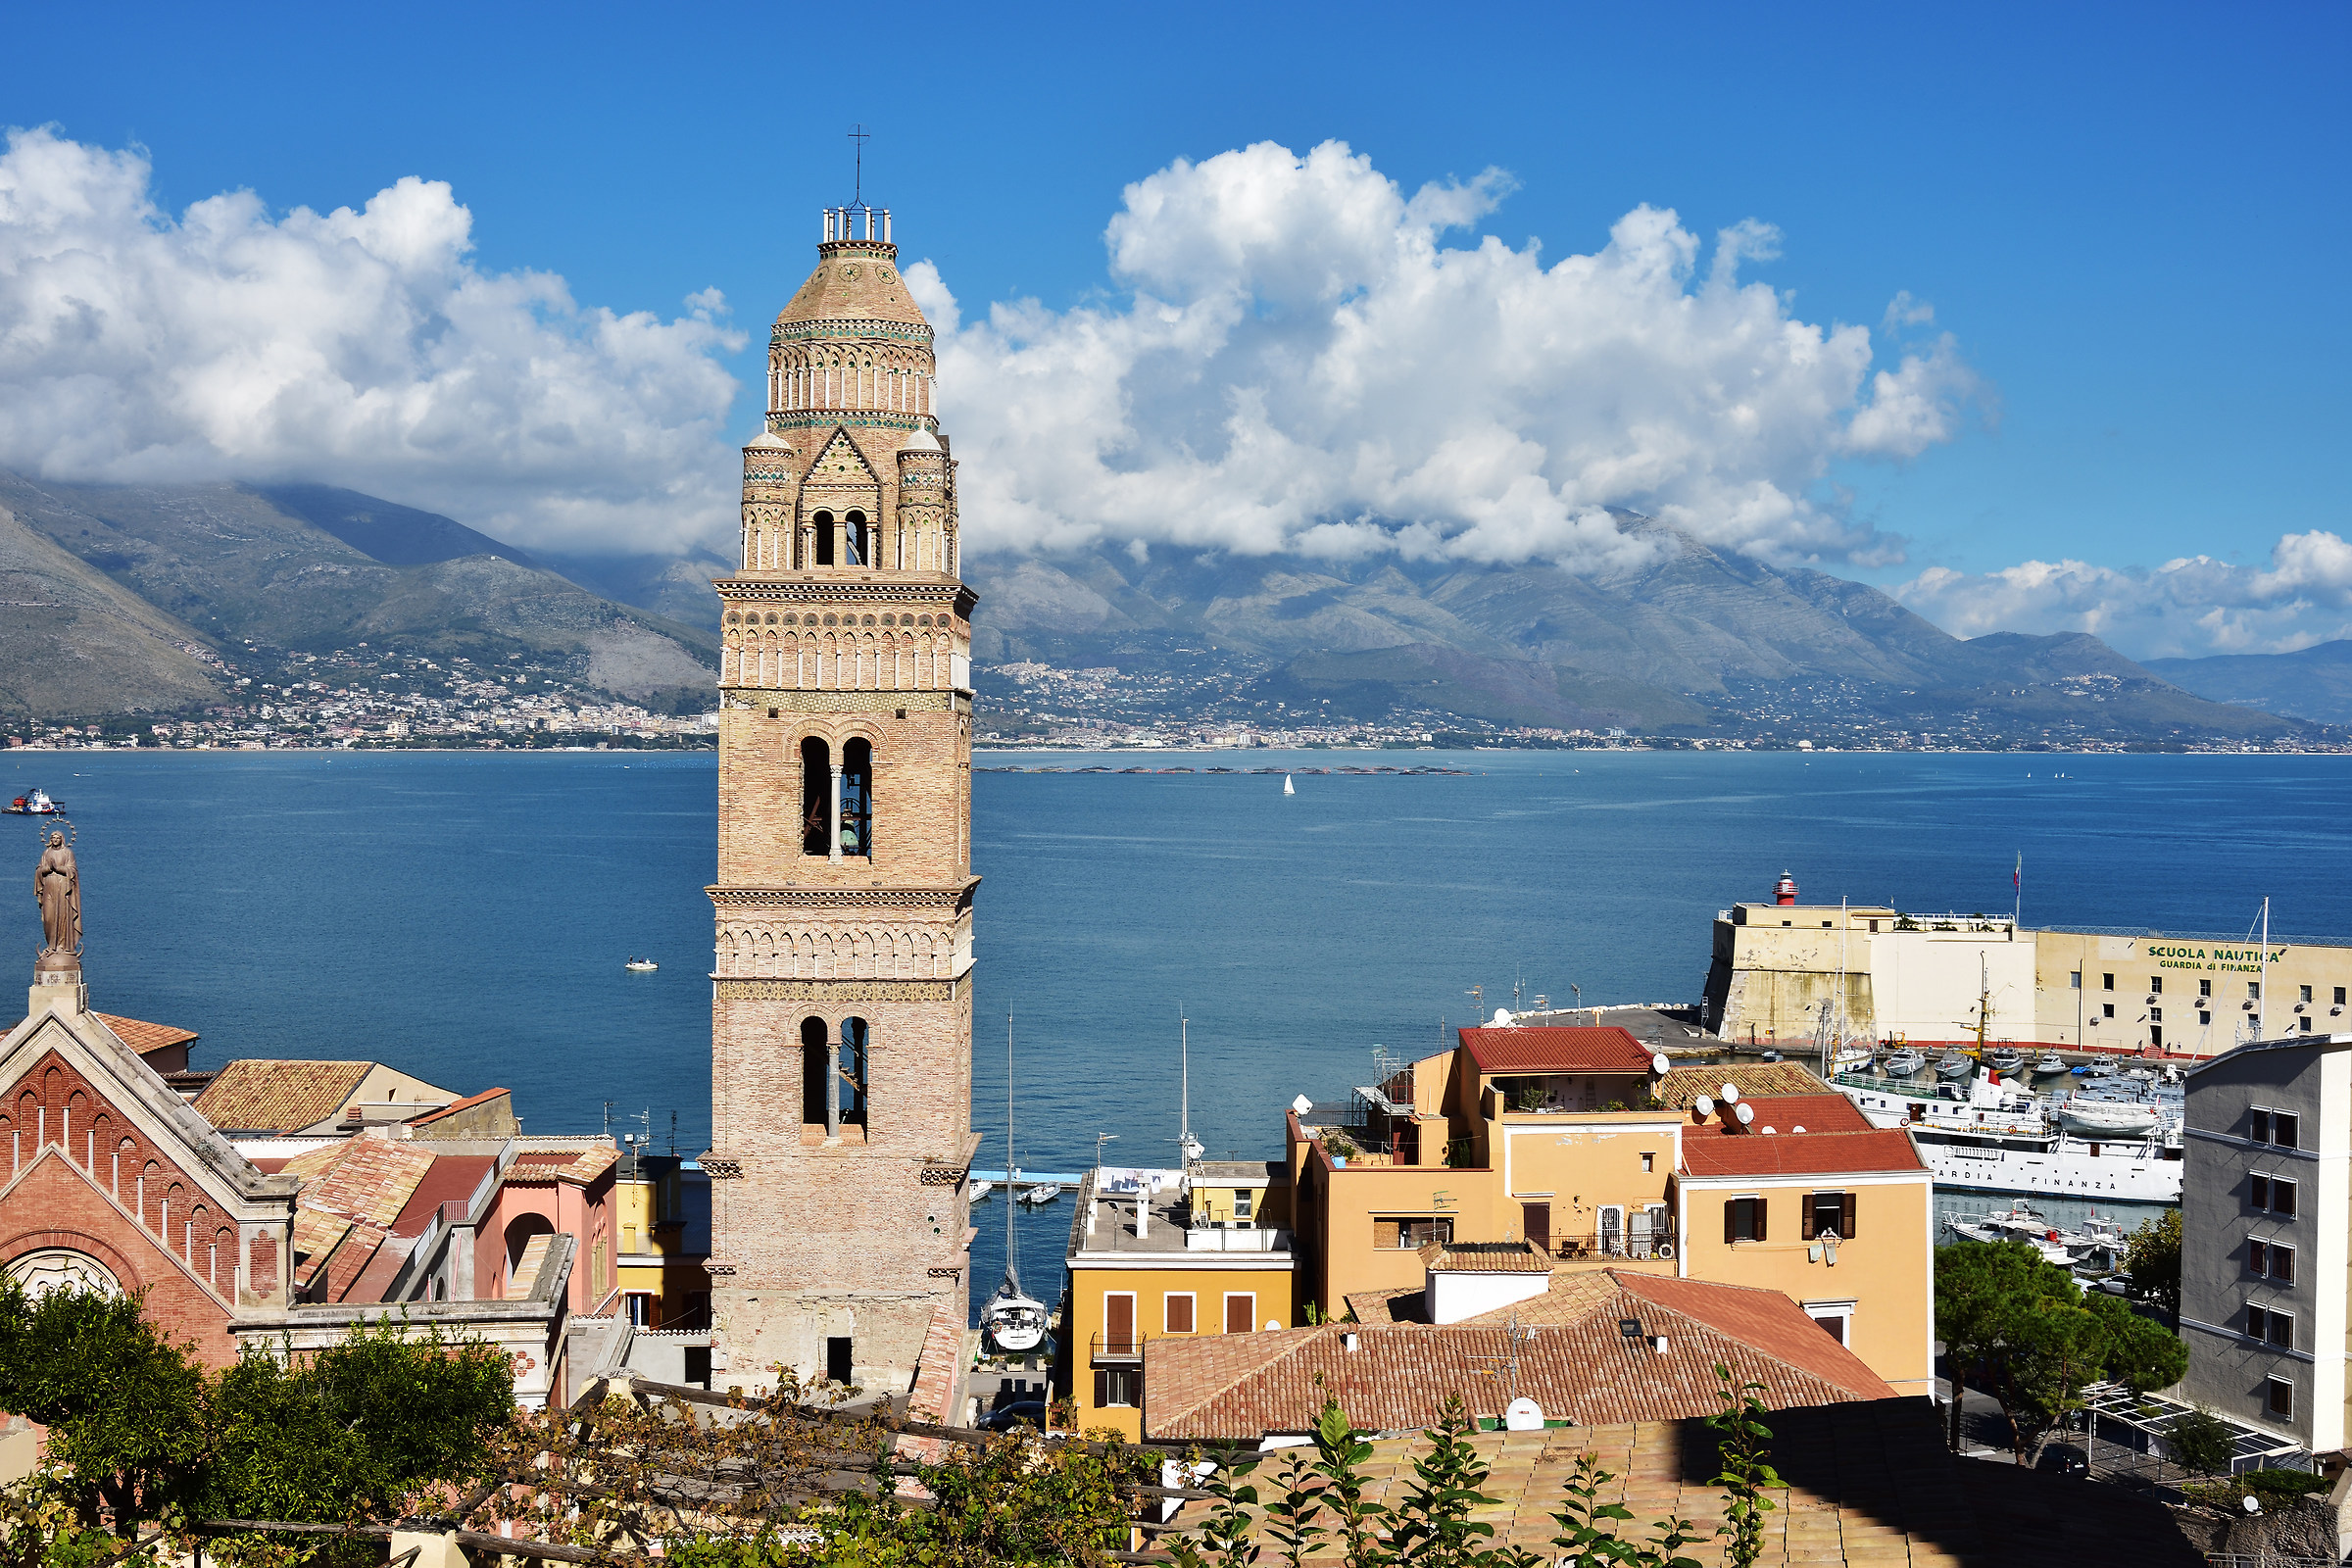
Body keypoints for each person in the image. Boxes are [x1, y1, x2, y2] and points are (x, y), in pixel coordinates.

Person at [34, 830, 78, 957]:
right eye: (52, 837)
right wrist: (48, 869)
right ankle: (50, 946)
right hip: (48, 887)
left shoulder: (68, 853)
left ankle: (61, 946)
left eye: (57, 837)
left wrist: (59, 868)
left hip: (64, 890)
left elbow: (73, 871)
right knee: (48, 918)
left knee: (62, 916)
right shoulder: (46, 853)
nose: (54, 839)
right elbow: (39, 870)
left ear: (62, 839)